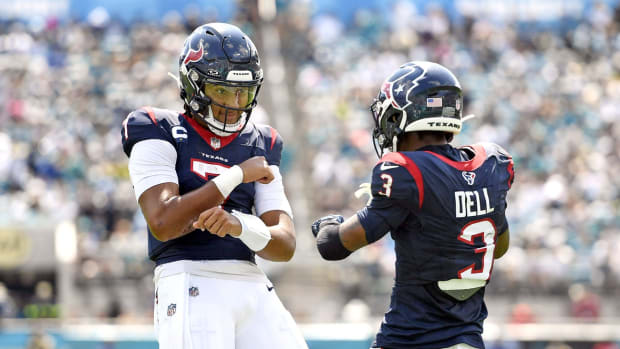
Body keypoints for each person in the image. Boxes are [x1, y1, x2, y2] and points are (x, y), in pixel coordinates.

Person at [121, 23, 308, 349]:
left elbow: (285, 243)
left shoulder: (261, 142)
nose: (234, 104)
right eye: (222, 91)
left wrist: (240, 225)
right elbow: (163, 222)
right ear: (193, 85)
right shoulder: (156, 128)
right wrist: (235, 175)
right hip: (190, 278)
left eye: (244, 93)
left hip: (251, 281)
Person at [311, 61, 515, 349]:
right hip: (468, 339)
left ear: (401, 116)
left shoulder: (405, 171)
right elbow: (501, 247)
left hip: (411, 339)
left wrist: (327, 226)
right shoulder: (491, 164)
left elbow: (333, 246)